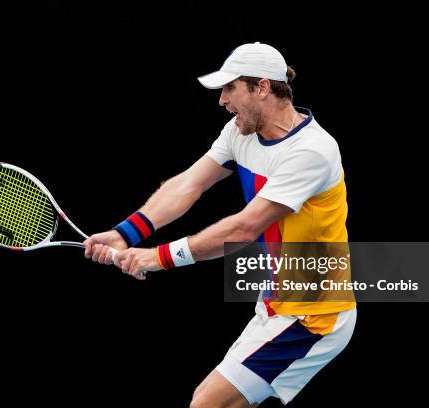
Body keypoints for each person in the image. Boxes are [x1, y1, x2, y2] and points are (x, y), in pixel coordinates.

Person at [83, 42, 357, 407]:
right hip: (275, 301)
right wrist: (125, 233)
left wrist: (157, 258)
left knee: (207, 403)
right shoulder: (239, 132)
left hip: (315, 313)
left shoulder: (311, 151)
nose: (222, 100)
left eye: (230, 88)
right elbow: (188, 184)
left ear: (262, 87)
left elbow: (245, 228)